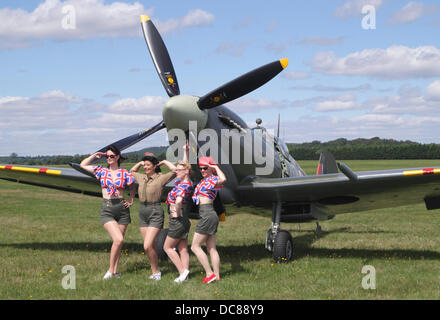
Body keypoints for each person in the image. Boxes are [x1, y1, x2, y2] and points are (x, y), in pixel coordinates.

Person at [80, 145, 136, 280]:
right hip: (107, 208)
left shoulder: (125, 173)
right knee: (118, 239)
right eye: (107, 156)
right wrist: (95, 155)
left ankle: (115, 272)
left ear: (117, 157)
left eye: (111, 156)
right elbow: (82, 165)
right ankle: (110, 271)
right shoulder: (101, 171)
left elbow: (133, 185)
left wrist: (131, 199)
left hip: (122, 209)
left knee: (119, 243)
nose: (109, 158)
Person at [130, 154, 176, 281]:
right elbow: (132, 171)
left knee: (147, 245)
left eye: (148, 165)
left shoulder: (161, 178)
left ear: (155, 166)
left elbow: (175, 171)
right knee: (150, 247)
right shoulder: (141, 177)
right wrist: (140, 163)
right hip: (142, 212)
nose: (145, 167)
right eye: (144, 165)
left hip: (155, 211)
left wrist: (165, 161)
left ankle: (156, 272)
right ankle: (155, 272)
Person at [191, 156, 226, 283]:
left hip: (207, 213)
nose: (202, 170)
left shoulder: (213, 179)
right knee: (211, 248)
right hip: (209, 213)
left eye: (205, 168)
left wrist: (215, 167)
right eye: (200, 168)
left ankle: (209, 273)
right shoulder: (202, 181)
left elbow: (223, 179)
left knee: (195, 246)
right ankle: (217, 277)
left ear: (210, 168)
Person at [163, 143, 193, 283]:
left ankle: (182, 272)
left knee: (167, 247)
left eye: (179, 170)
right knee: (182, 249)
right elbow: (185, 166)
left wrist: (176, 211)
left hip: (177, 221)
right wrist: (185, 151)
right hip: (185, 221)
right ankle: (185, 276)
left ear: (185, 172)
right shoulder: (187, 182)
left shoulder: (182, 186)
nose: (176, 171)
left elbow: (179, 200)